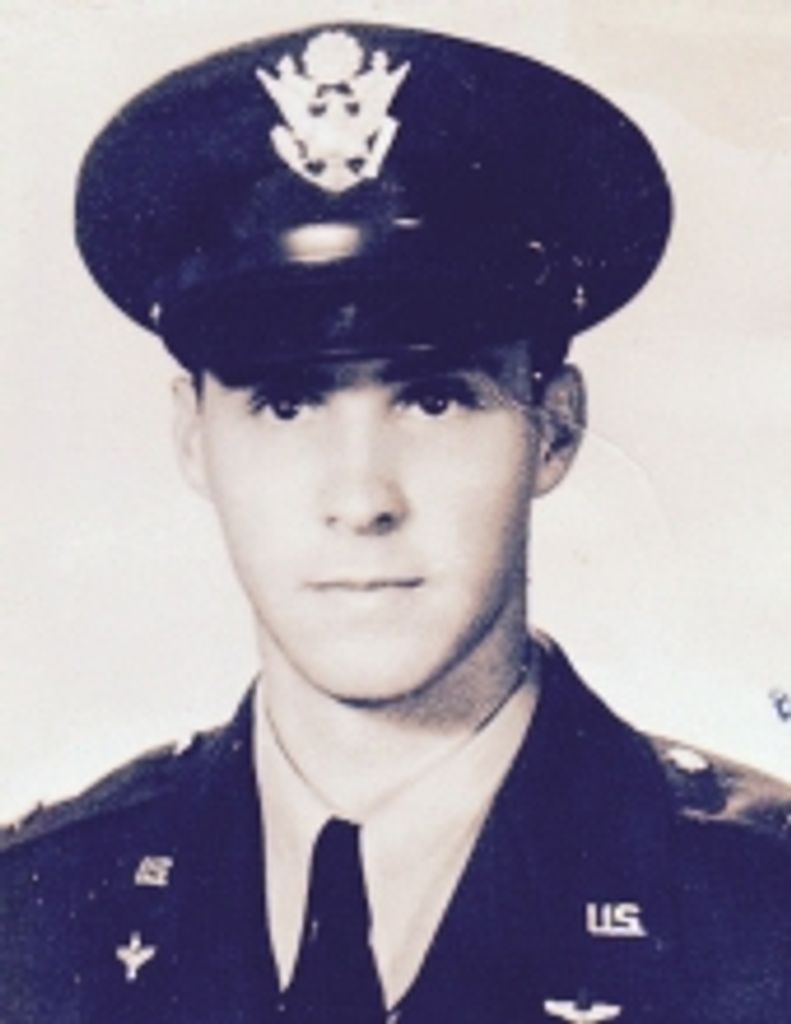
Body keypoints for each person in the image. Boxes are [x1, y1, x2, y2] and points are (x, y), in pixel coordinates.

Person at [2, 20, 790, 1024]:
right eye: (286, 404)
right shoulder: (34, 921)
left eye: (434, 398)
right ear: (194, 438)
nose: (362, 497)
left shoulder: (761, 917)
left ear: (553, 428)